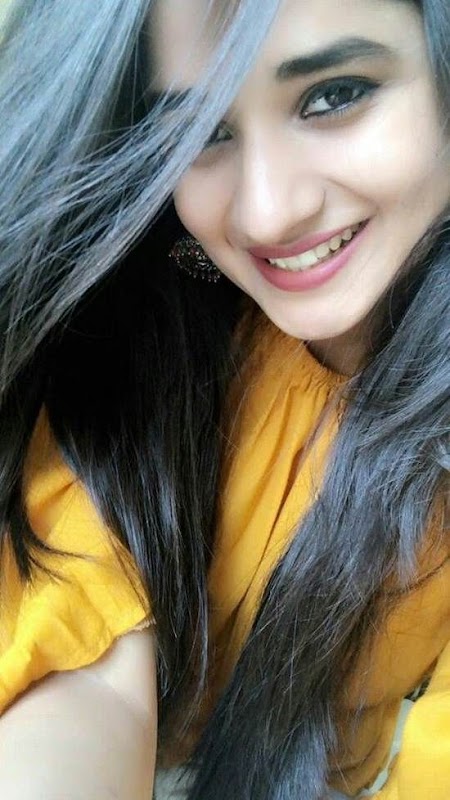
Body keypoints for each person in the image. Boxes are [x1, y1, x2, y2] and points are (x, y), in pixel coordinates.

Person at [0, 2, 449, 800]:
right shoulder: (147, 328)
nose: (266, 210)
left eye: (335, 95)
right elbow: (83, 661)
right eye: (201, 133)